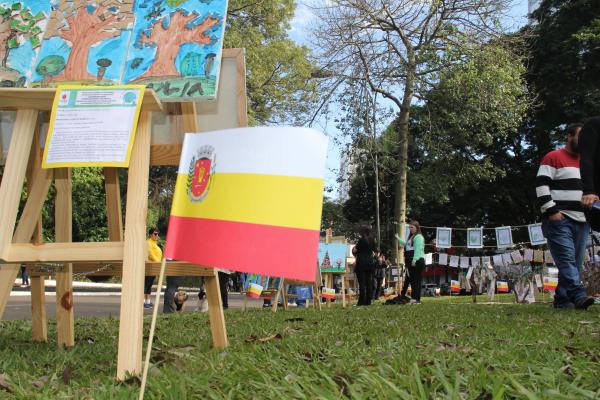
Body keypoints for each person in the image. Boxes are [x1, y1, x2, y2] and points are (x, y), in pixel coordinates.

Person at [536, 123, 594, 309]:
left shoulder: (589, 162)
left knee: (573, 262)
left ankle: (562, 300)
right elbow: (541, 185)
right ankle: (578, 293)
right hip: (560, 219)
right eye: (581, 136)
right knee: (567, 259)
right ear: (569, 136)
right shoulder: (553, 157)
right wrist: (552, 211)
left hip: (583, 220)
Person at [394, 220, 425, 304]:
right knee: (413, 280)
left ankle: (416, 299)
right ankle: (414, 298)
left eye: (412, 227)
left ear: (417, 228)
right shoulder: (412, 236)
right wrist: (398, 239)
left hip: (417, 260)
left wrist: (414, 260)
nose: (410, 229)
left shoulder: (418, 237)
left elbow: (418, 249)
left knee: (416, 280)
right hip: (411, 260)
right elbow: (406, 244)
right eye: (409, 227)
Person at [353, 226, 376, 306]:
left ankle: (361, 302)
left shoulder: (361, 240)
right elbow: (375, 250)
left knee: (362, 284)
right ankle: (368, 301)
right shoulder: (372, 240)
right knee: (369, 282)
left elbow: (355, 250)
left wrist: (354, 250)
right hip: (369, 263)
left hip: (361, 263)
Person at [144, 228, 161, 309]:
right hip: (149, 266)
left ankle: (148, 301)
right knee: (146, 284)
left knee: (150, 284)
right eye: (155, 234)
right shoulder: (148, 242)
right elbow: (150, 254)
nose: (157, 235)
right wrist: (158, 262)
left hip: (154, 267)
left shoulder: (155, 243)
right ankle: (143, 301)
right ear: (150, 234)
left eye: (158, 234)